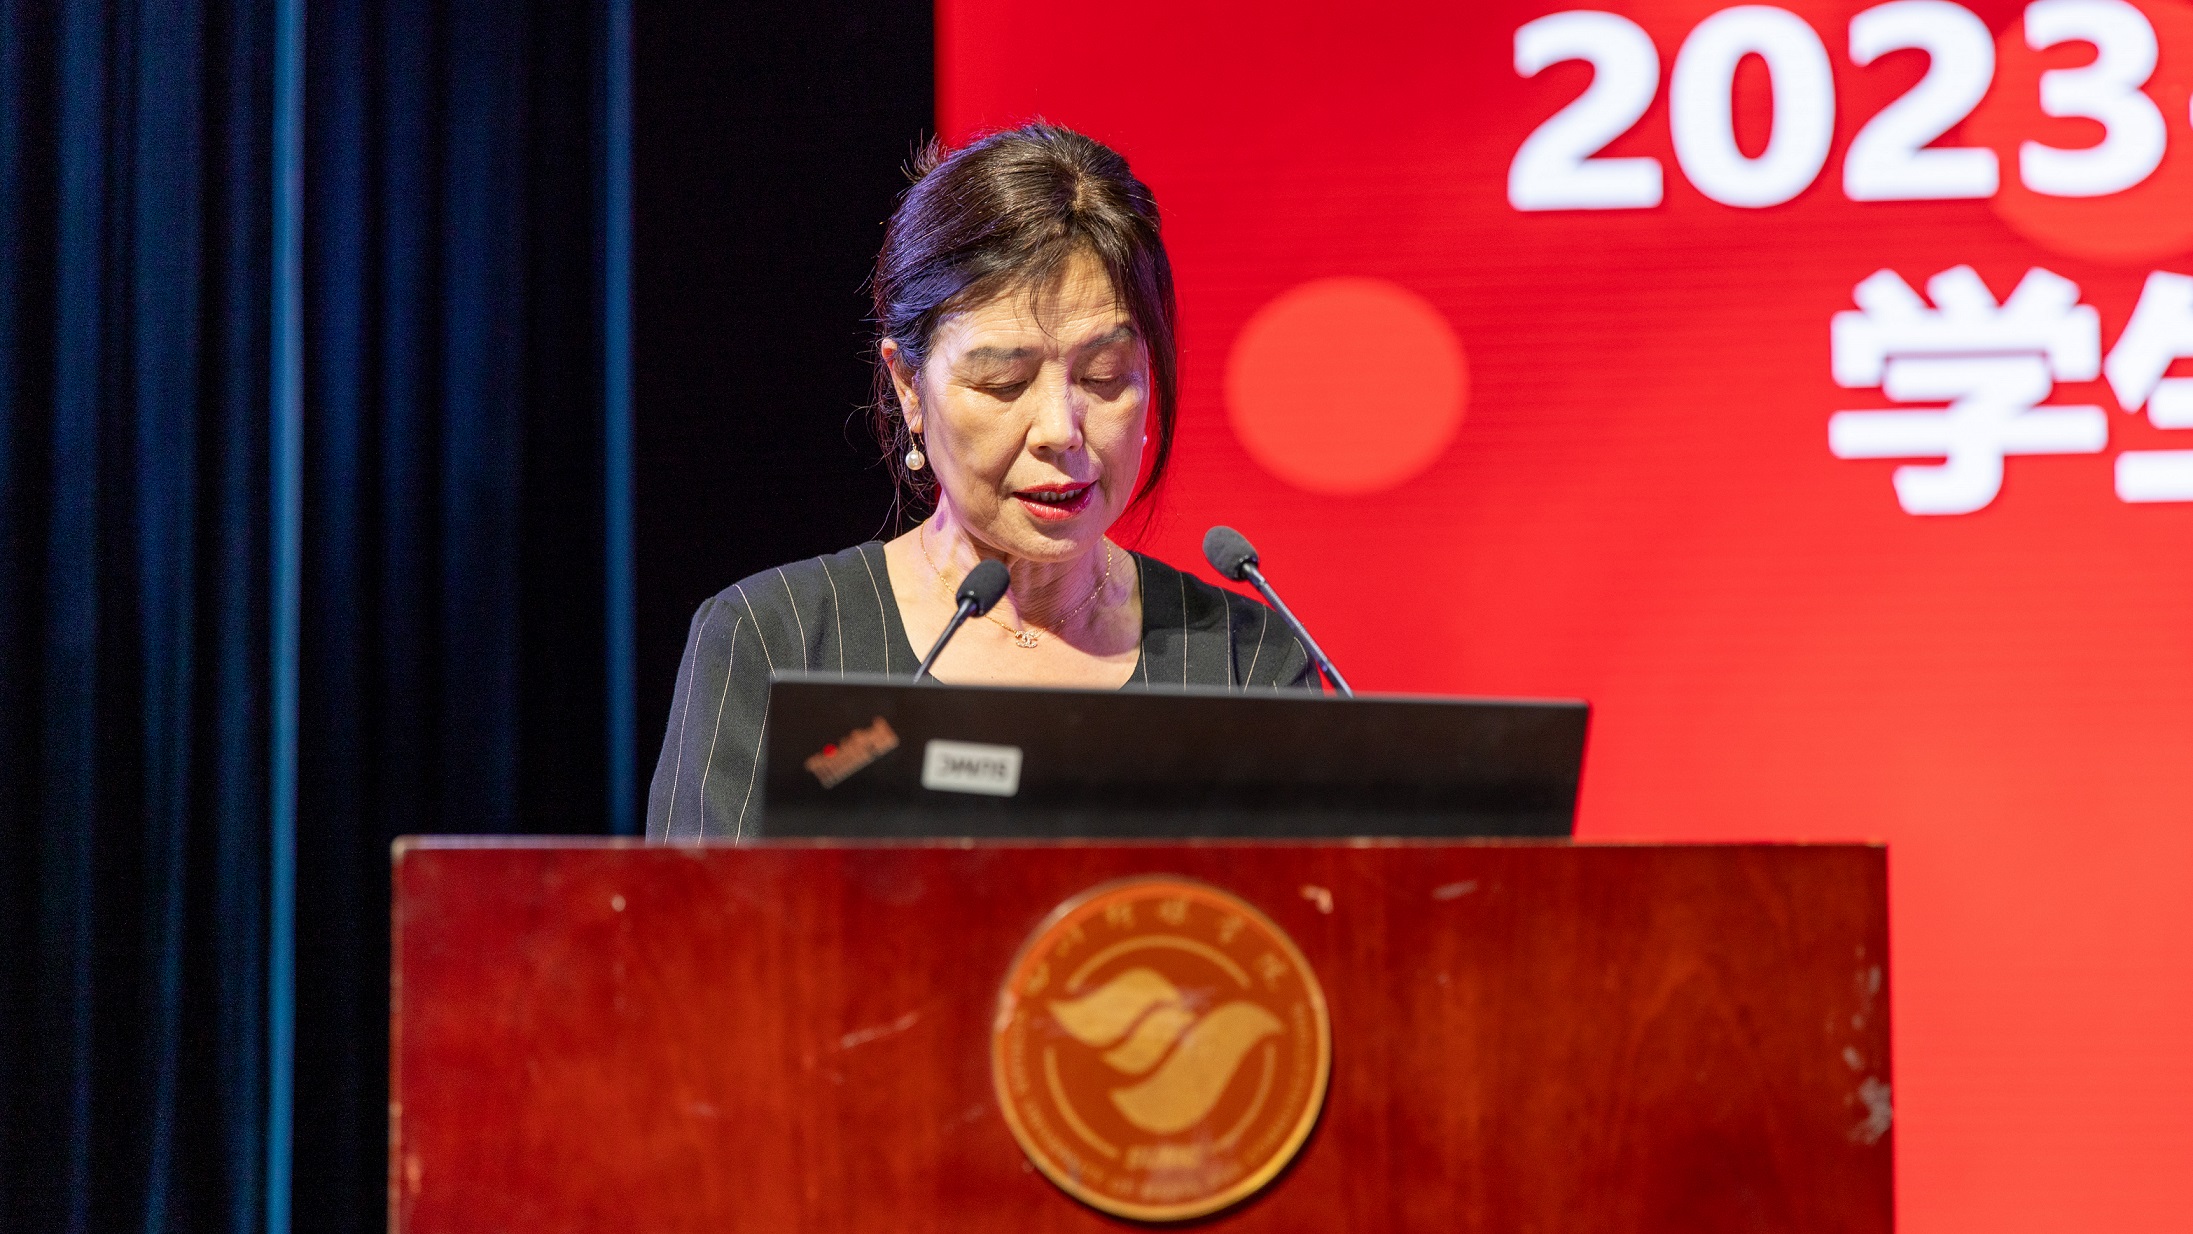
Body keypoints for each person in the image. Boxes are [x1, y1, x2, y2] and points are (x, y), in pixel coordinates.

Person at [646, 122, 1314, 842]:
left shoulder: (1249, 663)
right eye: (1003, 382)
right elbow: (691, 913)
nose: (1060, 429)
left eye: (1105, 376)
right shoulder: (777, 641)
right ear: (909, 387)